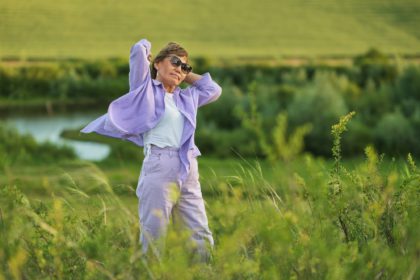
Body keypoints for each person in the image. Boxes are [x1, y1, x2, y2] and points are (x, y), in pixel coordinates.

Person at [80, 38, 222, 262]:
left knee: (199, 233)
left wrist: (184, 73)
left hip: (188, 166)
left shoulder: (186, 97)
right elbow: (138, 49)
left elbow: (213, 89)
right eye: (175, 62)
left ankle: (205, 274)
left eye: (184, 66)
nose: (179, 69)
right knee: (154, 234)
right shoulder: (144, 89)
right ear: (157, 63)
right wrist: (150, 57)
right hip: (159, 164)